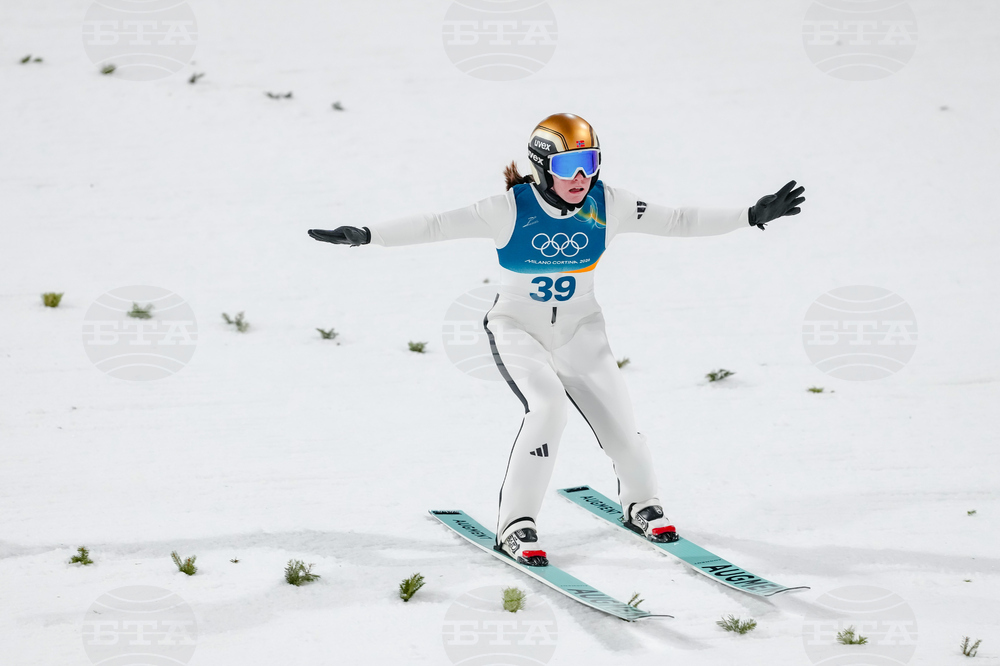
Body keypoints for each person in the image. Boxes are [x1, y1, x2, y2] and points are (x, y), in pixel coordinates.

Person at [309, 113, 805, 567]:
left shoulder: (608, 204)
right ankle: (517, 524)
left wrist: (751, 215)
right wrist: (366, 234)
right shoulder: (508, 209)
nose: (580, 177)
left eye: (589, 163)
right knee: (548, 410)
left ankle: (641, 503)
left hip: (581, 330)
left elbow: (677, 220)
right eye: (568, 165)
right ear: (544, 167)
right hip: (518, 329)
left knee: (621, 423)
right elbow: (435, 225)